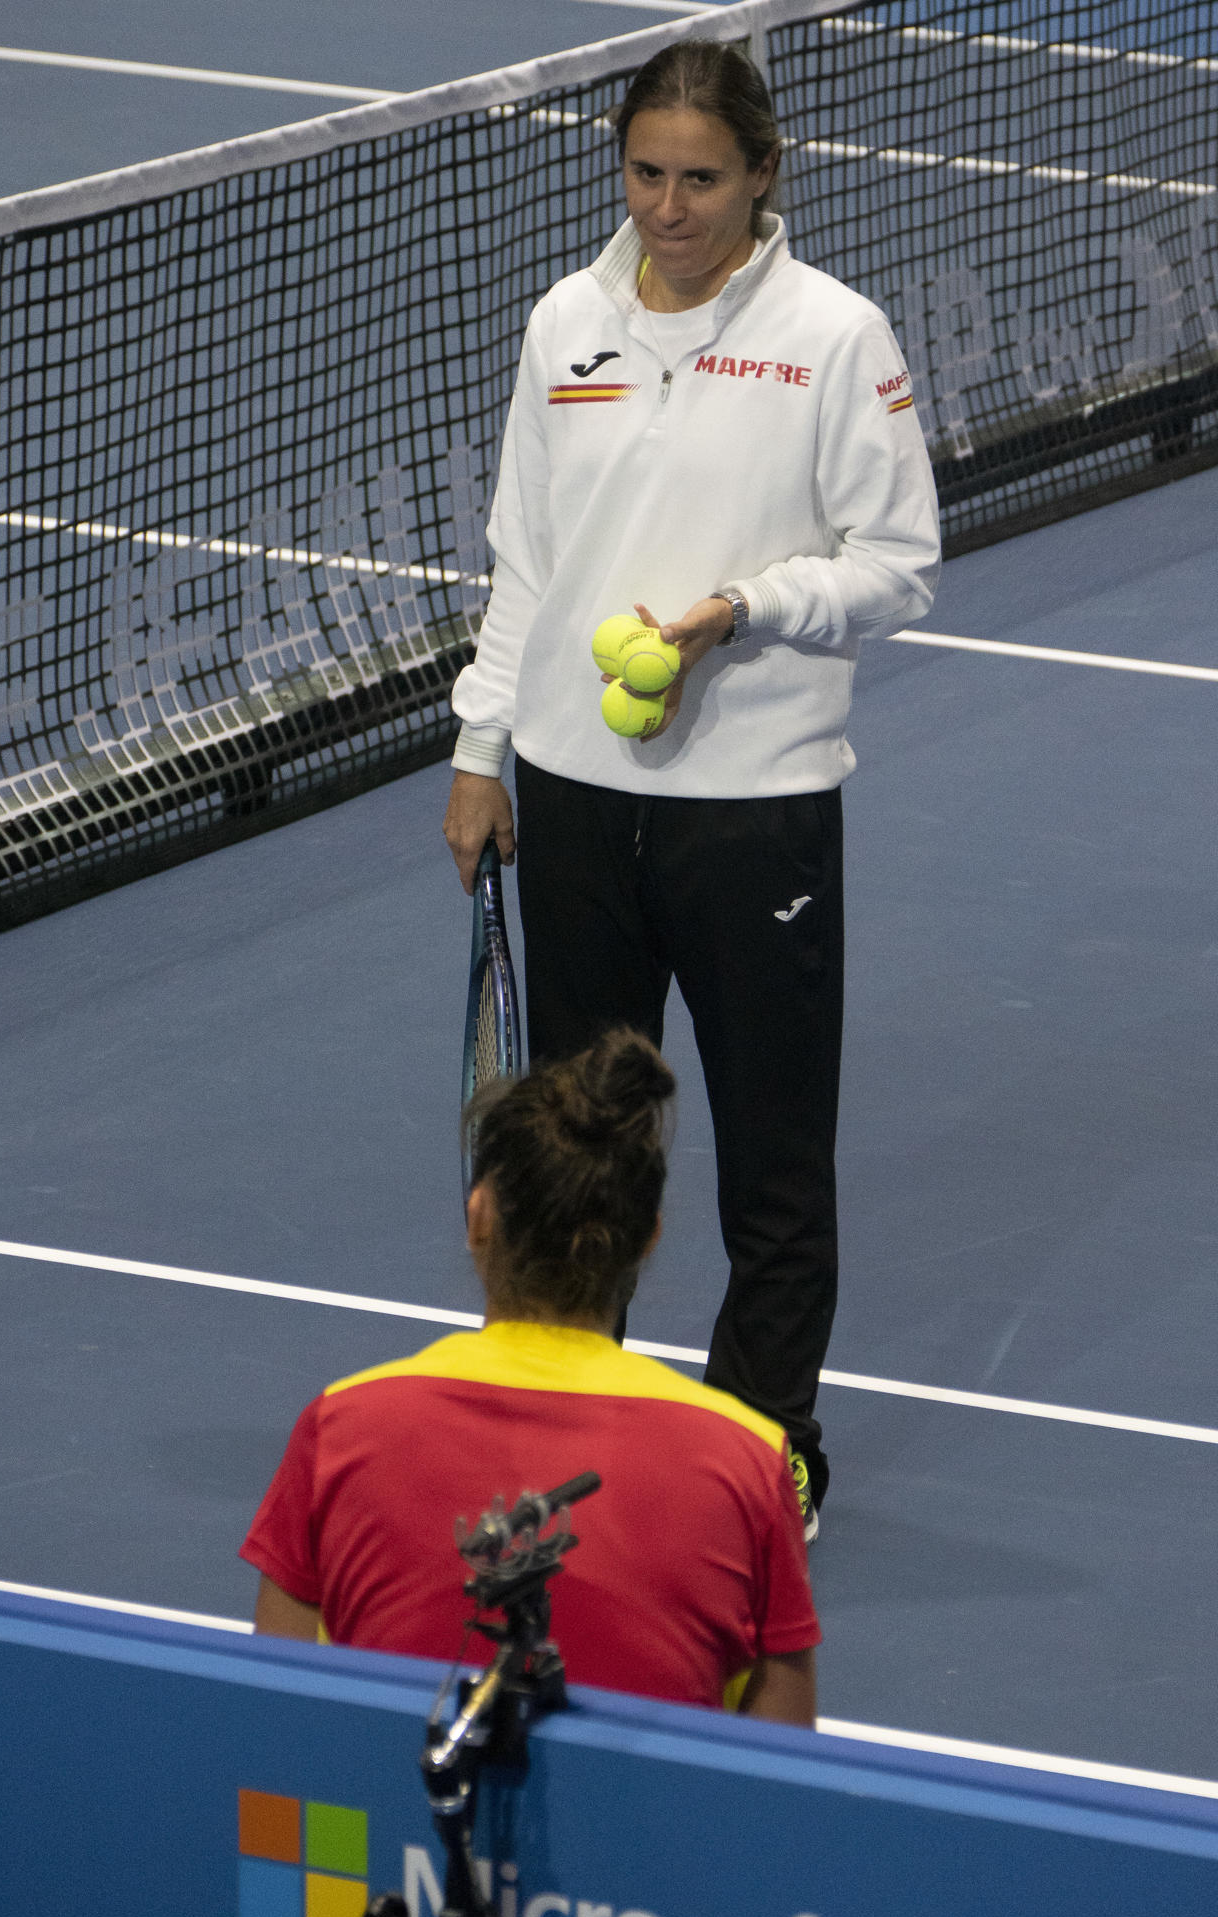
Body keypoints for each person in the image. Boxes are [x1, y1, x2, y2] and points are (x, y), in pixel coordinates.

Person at [441, 40, 941, 1536]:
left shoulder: (837, 336)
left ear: (765, 173)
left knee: (774, 1152)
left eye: (703, 179)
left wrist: (746, 605)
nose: (670, 207)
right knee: (581, 1142)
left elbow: (899, 562)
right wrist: (481, 749)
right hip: (575, 799)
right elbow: (526, 562)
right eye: (647, 173)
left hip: (756, 808)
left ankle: (768, 1442)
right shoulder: (566, 323)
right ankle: (576, 1408)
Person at [241, 1031, 820, 1723]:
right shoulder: (751, 1463)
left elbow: (271, 1731)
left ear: (478, 1215)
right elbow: (781, 1781)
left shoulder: (339, 1428)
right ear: (648, 1237)